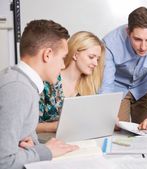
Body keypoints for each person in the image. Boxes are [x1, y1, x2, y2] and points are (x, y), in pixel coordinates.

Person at [0, 20, 78, 169]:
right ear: (47, 54)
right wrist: (45, 151)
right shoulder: (18, 89)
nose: (63, 65)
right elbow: (3, 161)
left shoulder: (22, 81)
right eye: (62, 58)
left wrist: (34, 147)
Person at [100, 7, 147, 130]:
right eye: (137, 39)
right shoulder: (110, 43)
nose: (143, 47)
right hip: (119, 88)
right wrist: (108, 115)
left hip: (145, 85)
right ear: (128, 32)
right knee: (118, 131)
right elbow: (106, 85)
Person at [37, 31, 105, 133]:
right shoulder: (47, 81)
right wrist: (56, 127)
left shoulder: (89, 86)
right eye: (91, 57)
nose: (95, 63)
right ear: (75, 55)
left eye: (98, 59)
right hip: (44, 143)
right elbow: (27, 127)